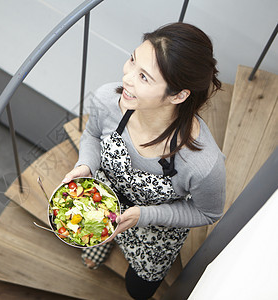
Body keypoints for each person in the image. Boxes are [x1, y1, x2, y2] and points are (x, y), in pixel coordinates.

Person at [62, 22, 226, 300]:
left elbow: (208, 213)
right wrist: (86, 165)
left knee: (138, 289)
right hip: (105, 200)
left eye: (144, 77)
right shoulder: (107, 99)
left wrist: (143, 215)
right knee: (95, 230)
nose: (126, 78)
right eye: (132, 60)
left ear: (178, 95)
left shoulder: (202, 164)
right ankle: (104, 240)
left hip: (155, 230)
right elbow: (91, 135)